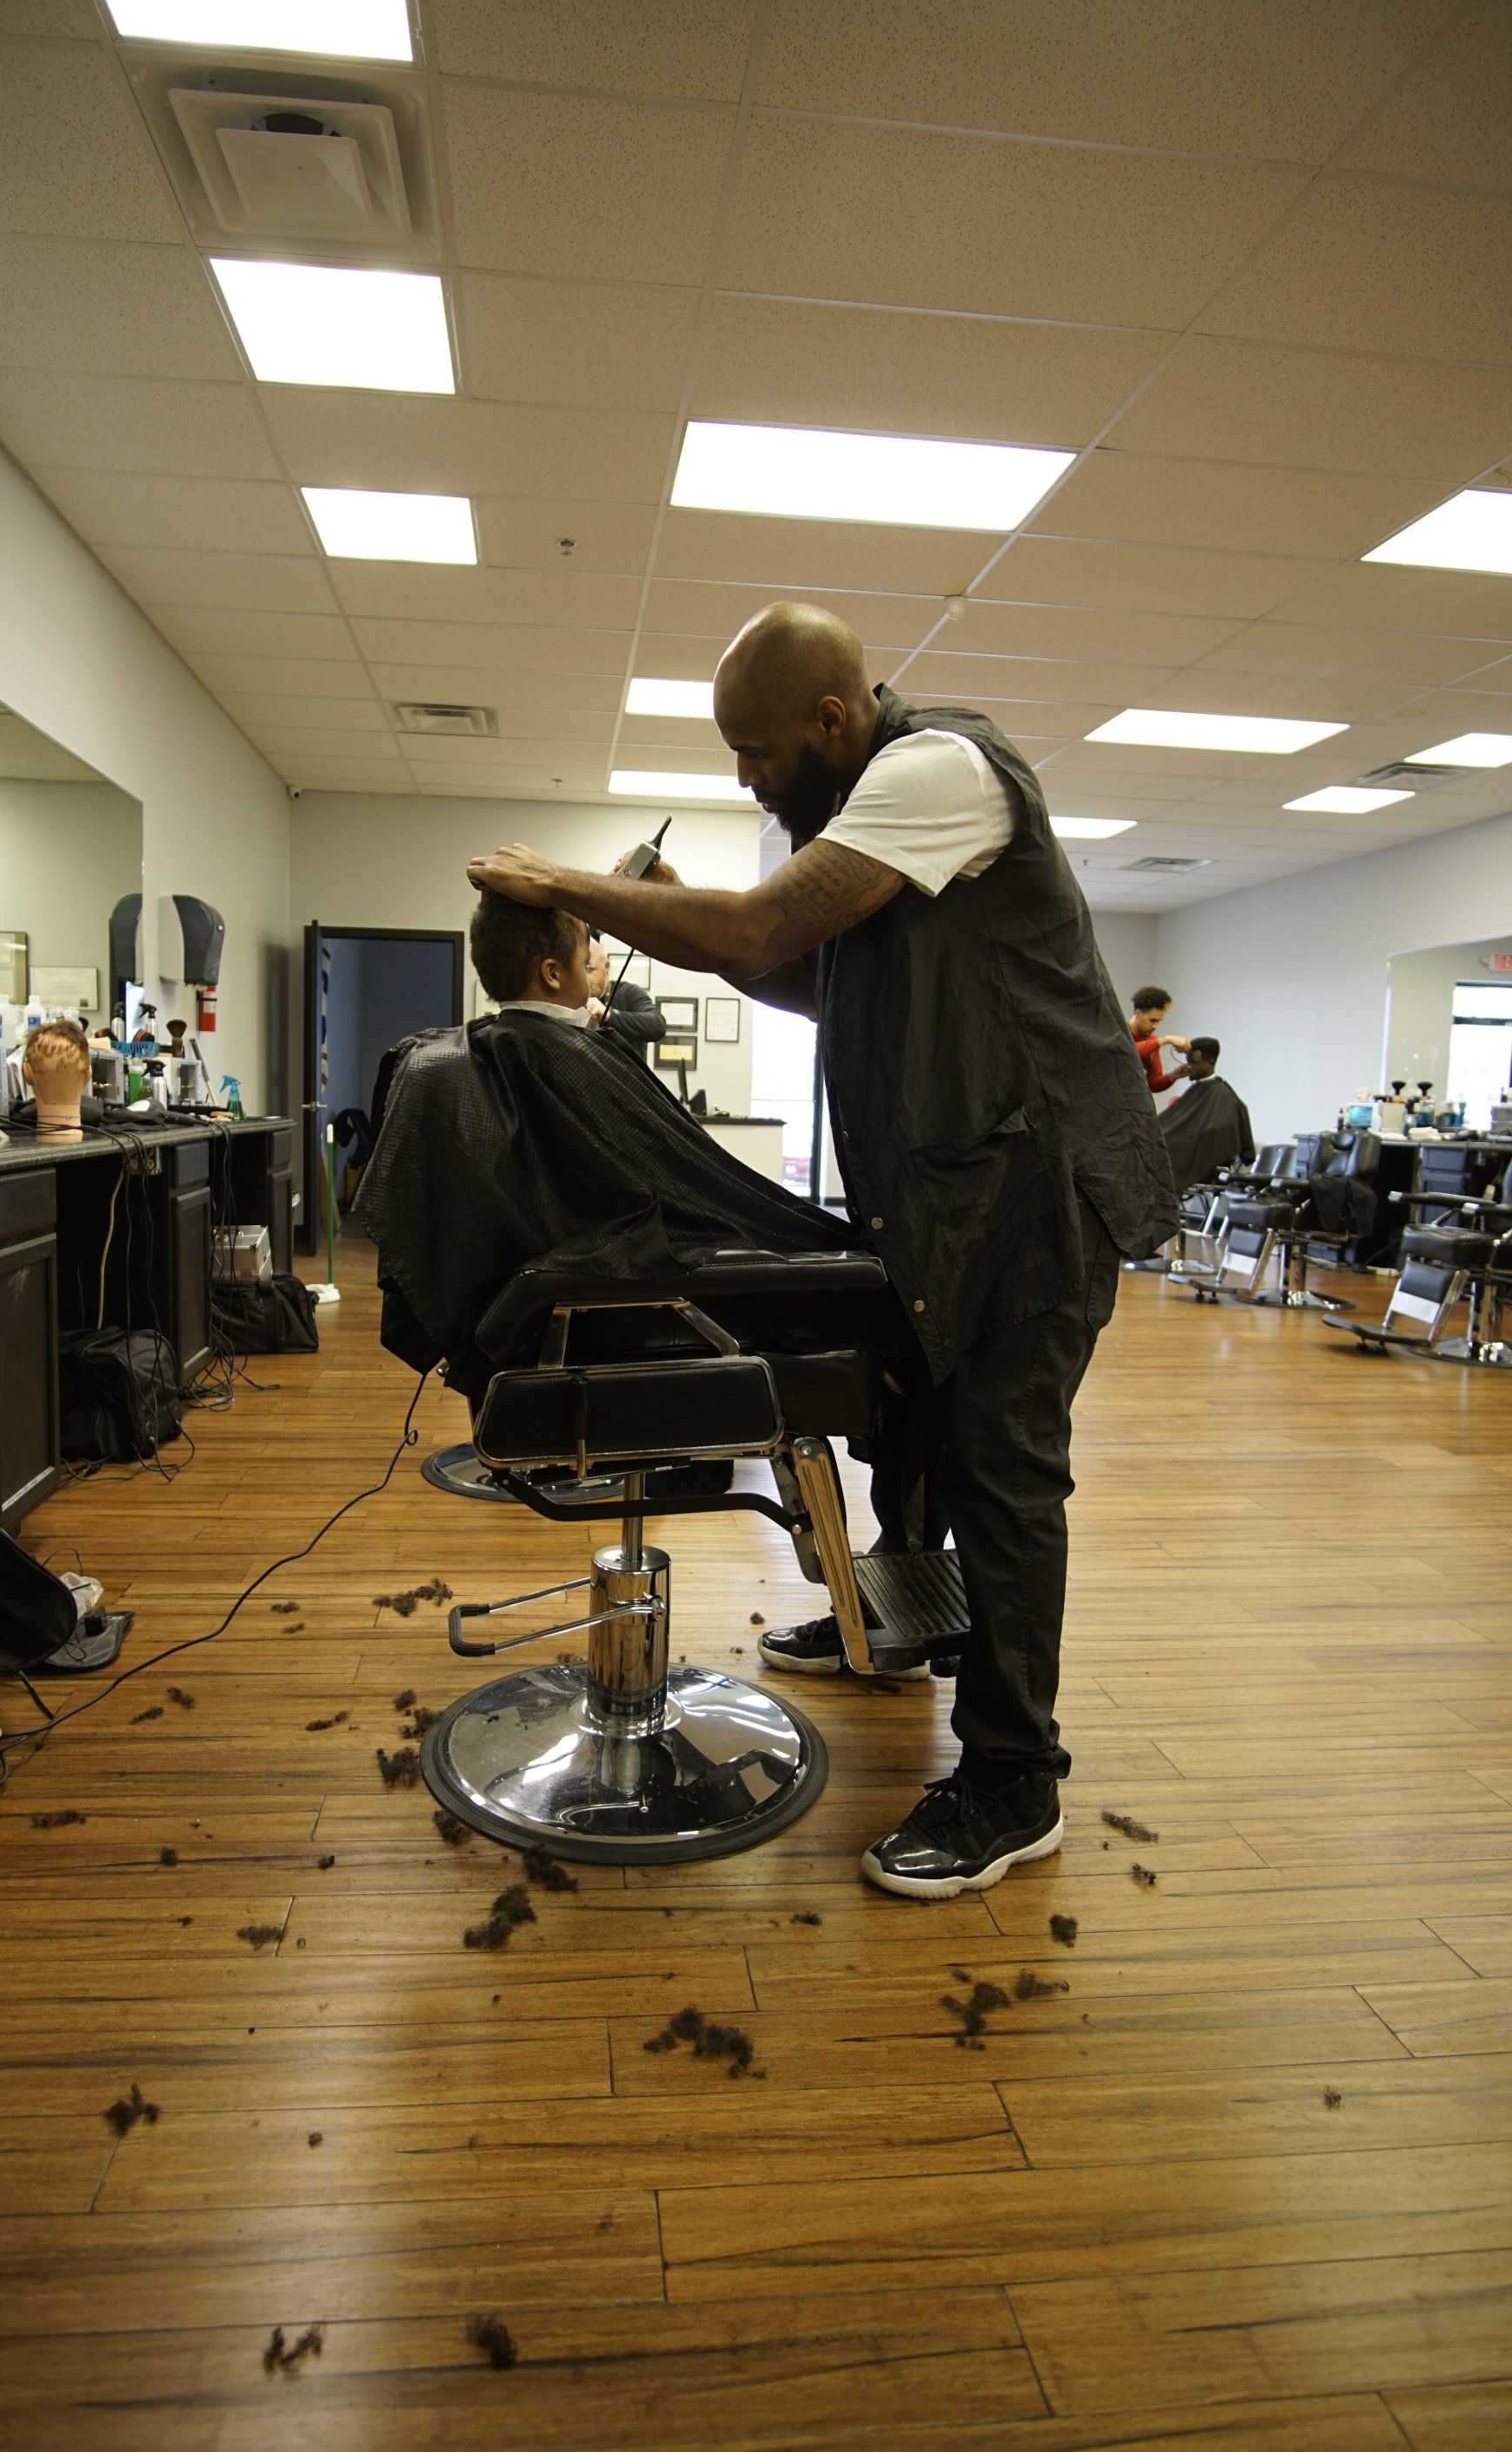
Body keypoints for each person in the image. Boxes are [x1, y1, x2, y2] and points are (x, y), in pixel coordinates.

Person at [467, 600, 1178, 1901]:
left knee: (1005, 1473)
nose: (745, 776)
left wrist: (564, 884)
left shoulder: (938, 773)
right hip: (955, 1195)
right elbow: (803, 974)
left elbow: (762, 932)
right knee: (915, 1414)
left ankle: (1016, 1781)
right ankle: (896, 1629)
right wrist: (681, 908)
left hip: (1041, 1196)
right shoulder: (876, 819)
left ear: (834, 722)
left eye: (757, 751)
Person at [357, 889, 909, 1398]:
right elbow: (695, 1194)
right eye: (583, 961)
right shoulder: (564, 1057)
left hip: (544, 1317)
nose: (594, 979)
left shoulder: (491, 1053)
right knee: (871, 1284)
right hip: (621, 1313)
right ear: (553, 973)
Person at [1159, 1037, 1255, 1193]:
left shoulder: (1224, 1097)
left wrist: (1176, 1139)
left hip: (1205, 1169)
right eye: (1187, 1061)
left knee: (1159, 1151)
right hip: (1180, 1157)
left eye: (1194, 1062)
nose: (1188, 1067)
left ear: (1210, 1063)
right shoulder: (1197, 1091)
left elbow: (1216, 1133)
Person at [587, 936, 666, 1057]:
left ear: (606, 967)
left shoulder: (627, 993)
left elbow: (657, 1025)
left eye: (589, 969)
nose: (584, 978)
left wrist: (609, 1015)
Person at [1129, 985, 1191, 1094]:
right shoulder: (1119, 1034)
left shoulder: (1152, 1041)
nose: (1155, 1026)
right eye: (1152, 1020)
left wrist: (1172, 1076)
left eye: (1158, 1021)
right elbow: (1128, 1050)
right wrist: (1166, 1039)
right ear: (1138, 1013)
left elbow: (1152, 1084)